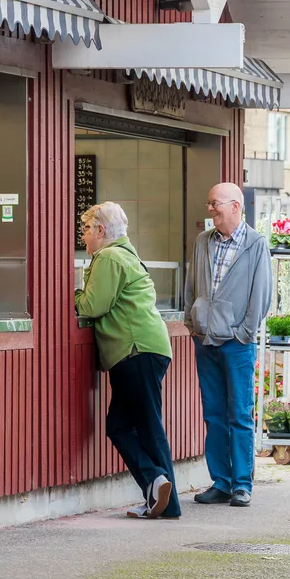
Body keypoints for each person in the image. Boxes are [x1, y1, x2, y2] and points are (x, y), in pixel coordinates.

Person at [75, 202, 180, 519]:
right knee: (123, 425)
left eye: (86, 230)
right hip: (146, 348)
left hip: (133, 350)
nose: (84, 237)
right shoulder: (127, 254)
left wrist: (74, 294)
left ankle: (165, 498)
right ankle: (156, 489)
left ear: (101, 231)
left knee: (145, 427)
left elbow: (92, 305)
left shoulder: (108, 256)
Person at [185, 182, 272, 508]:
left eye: (215, 204)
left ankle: (241, 485)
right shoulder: (203, 241)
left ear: (235, 206)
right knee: (214, 414)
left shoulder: (255, 244)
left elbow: (261, 294)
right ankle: (220, 482)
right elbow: (192, 285)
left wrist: (244, 333)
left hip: (236, 344)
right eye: (209, 203)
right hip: (205, 340)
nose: (209, 210)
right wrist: (192, 322)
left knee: (239, 415)